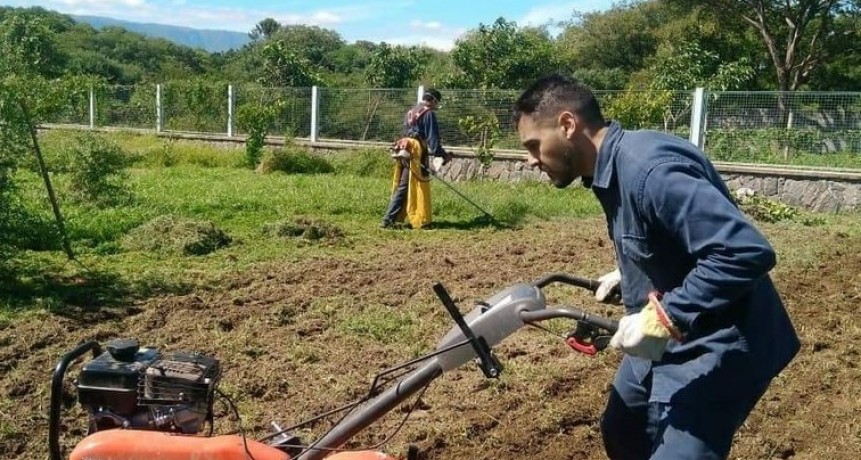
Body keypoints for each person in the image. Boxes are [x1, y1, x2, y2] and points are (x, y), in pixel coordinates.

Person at [512, 74, 800, 459]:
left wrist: (666, 315)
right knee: (624, 427)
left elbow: (744, 251)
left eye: (534, 145)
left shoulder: (650, 170)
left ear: (567, 125)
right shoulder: (611, 169)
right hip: (668, 338)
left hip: (718, 342)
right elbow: (667, 238)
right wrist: (629, 275)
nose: (530, 160)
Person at [381, 88, 451, 229]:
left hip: (405, 150)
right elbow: (433, 139)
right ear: (433, 101)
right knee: (412, 184)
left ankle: (392, 218)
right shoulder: (428, 114)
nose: (436, 107)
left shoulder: (410, 112)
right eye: (436, 103)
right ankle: (398, 219)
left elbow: (406, 132)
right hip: (417, 152)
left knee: (405, 184)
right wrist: (442, 155)